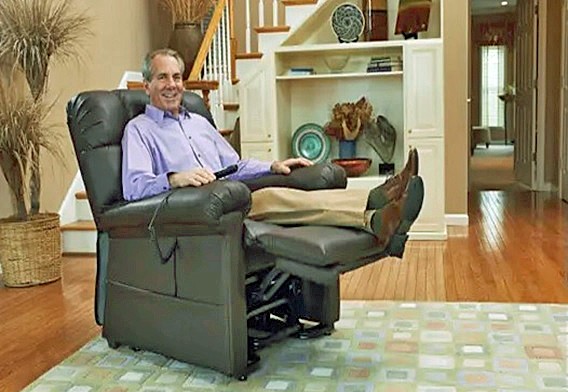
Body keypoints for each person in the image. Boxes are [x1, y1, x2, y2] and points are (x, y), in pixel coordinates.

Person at [122, 48, 424, 247]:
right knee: (272, 197)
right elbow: (133, 188)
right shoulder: (139, 130)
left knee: (291, 190)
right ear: (146, 85)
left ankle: (379, 211)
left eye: (176, 77)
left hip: (230, 193)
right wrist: (176, 178)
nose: (172, 84)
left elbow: (235, 165)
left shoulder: (198, 122)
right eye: (162, 77)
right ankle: (376, 207)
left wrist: (273, 165)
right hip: (197, 208)